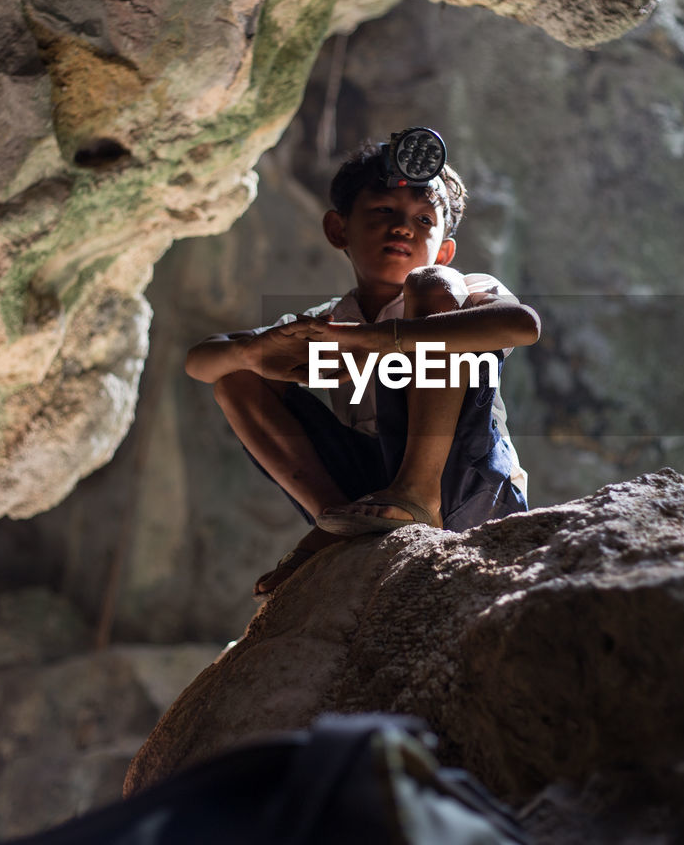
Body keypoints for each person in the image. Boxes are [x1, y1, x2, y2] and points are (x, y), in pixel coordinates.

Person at [185, 136, 541, 597]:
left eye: (424, 220)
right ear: (338, 230)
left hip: (468, 485)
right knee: (238, 376)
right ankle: (334, 524)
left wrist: (380, 342)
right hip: (370, 497)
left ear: (445, 248)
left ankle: (418, 490)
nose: (403, 228)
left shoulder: (460, 288)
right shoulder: (330, 321)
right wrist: (254, 354)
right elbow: (202, 361)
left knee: (431, 287)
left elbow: (523, 325)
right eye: (383, 212)